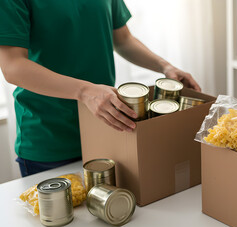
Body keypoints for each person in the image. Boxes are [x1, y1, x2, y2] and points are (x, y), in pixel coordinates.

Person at [0, 0, 201, 177]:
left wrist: (165, 66)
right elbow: (13, 67)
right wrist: (84, 91)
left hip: (105, 129)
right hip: (50, 139)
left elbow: (123, 39)